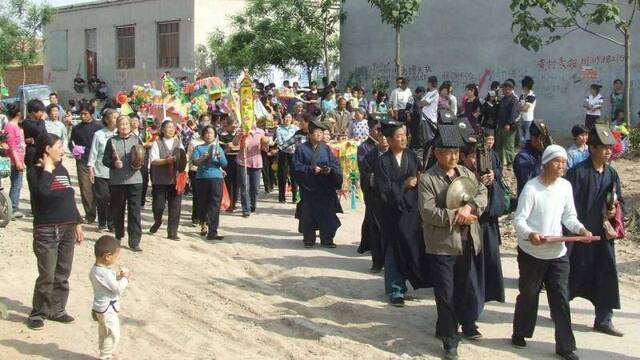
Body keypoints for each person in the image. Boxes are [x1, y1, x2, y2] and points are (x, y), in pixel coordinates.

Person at [512, 145, 591, 360]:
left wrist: (581, 229)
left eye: (564, 162)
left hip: (557, 252)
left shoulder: (565, 187)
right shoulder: (531, 188)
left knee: (561, 298)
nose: (561, 166)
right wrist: (530, 234)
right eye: (557, 161)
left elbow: (569, 217)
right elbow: (518, 219)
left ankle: (566, 346)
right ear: (545, 164)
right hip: (532, 252)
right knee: (529, 294)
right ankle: (520, 332)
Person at [418, 135, 488, 359]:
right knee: (445, 293)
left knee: (460, 289)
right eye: (448, 152)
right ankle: (450, 341)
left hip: (466, 242)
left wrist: (471, 208)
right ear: (437, 153)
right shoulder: (428, 179)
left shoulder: (466, 174)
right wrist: (455, 215)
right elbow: (427, 211)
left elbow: (482, 192)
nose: (453, 157)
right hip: (442, 245)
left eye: (456, 152)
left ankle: (445, 327)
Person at [565, 125, 624, 337]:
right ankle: (560, 312)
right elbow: (566, 205)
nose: (608, 152)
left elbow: (620, 202)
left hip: (602, 237)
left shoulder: (612, 174)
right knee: (570, 275)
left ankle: (604, 319)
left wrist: (614, 210)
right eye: (603, 147)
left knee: (606, 275)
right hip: (578, 236)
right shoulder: (576, 173)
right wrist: (576, 229)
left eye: (610, 147)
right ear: (592, 148)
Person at [26, 133, 84, 330]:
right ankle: (38, 313)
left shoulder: (63, 170)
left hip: (67, 227)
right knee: (47, 275)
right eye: (59, 146)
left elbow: (69, 197)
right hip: (46, 230)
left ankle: (57, 309)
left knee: (62, 273)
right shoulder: (34, 172)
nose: (62, 150)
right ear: (47, 150)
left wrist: (77, 222)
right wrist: (48, 170)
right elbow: (42, 194)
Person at [376, 121, 431, 307]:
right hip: (392, 212)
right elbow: (382, 188)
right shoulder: (382, 161)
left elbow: (420, 176)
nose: (402, 138)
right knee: (393, 250)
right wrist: (404, 186)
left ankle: (411, 283)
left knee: (411, 247)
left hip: (411, 210)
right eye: (398, 136)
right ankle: (395, 290)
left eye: (404, 135)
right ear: (389, 140)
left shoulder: (412, 157)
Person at [460, 136, 506, 314]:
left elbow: (499, 205)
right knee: (469, 273)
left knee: (487, 269)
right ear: (463, 157)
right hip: (466, 229)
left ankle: (476, 309)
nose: (476, 161)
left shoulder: (489, 174)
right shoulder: (459, 175)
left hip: (487, 228)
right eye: (473, 156)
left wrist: (492, 182)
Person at [293, 119, 343, 248]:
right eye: (316, 132)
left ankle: (327, 239)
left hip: (325, 186)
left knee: (327, 214)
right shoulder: (301, 149)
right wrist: (311, 169)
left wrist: (329, 170)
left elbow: (335, 164)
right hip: (309, 187)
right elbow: (296, 167)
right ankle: (309, 239)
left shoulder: (326, 148)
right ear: (309, 134)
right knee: (308, 214)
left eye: (321, 132)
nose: (319, 135)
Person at [102, 115, 144, 251]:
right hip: (117, 182)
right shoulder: (112, 141)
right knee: (118, 210)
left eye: (126, 124)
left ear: (130, 125)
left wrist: (138, 164)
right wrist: (114, 164)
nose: (124, 126)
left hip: (135, 181)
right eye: (121, 124)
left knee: (135, 211)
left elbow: (144, 158)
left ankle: (134, 241)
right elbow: (104, 160)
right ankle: (118, 235)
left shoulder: (137, 140)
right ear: (117, 126)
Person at [89, 235, 130, 360]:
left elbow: (108, 282)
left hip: (100, 308)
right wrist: (125, 278)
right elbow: (117, 288)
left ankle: (106, 352)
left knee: (104, 332)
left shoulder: (98, 270)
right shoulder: (102, 272)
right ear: (107, 256)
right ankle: (105, 356)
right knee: (113, 334)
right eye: (116, 256)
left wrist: (117, 276)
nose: (117, 259)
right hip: (107, 310)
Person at [357, 117, 385, 272]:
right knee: (372, 222)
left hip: (388, 196)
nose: (380, 134)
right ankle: (373, 256)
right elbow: (365, 170)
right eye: (377, 130)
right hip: (372, 191)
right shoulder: (365, 149)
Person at [149, 120, 183, 240]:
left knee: (175, 206)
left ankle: (172, 232)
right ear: (162, 130)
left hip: (175, 179)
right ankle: (157, 221)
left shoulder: (179, 142)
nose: (170, 129)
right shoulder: (156, 143)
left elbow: (184, 159)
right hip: (160, 180)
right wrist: (166, 161)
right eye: (168, 127)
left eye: (172, 127)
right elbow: (153, 161)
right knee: (158, 206)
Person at [192, 125, 228, 240]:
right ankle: (203, 223)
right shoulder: (198, 148)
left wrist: (219, 155)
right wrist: (202, 158)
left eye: (211, 133)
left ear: (215, 135)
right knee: (203, 202)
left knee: (215, 204)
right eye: (207, 133)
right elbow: (195, 162)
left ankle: (213, 230)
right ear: (203, 135)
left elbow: (224, 164)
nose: (209, 135)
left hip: (216, 178)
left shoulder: (219, 148)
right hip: (202, 178)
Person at [69, 102, 102, 223]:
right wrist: (75, 151)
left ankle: (103, 215)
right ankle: (90, 214)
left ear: (91, 114)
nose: (83, 116)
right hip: (82, 162)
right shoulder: (76, 129)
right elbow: (71, 143)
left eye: (85, 114)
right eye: (81, 114)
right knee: (85, 189)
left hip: (97, 162)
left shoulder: (99, 128)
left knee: (99, 189)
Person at [88, 109, 118, 232]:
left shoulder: (120, 134)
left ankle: (112, 224)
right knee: (103, 198)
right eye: (114, 117)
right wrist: (91, 169)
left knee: (114, 198)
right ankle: (102, 222)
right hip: (101, 171)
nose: (117, 120)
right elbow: (93, 154)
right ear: (106, 119)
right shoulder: (99, 134)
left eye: (118, 117)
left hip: (116, 172)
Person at [232, 125, 265, 217]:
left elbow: (264, 147)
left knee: (255, 188)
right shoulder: (240, 130)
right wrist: (240, 135)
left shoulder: (260, 131)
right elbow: (234, 143)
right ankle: (246, 209)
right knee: (244, 185)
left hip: (256, 162)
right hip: (243, 162)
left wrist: (265, 144)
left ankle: (252, 205)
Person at [3, 103, 26, 218]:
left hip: (19, 158)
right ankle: (13, 208)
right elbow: (12, 146)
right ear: (18, 113)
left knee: (18, 184)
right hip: (13, 160)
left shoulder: (17, 126)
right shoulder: (10, 126)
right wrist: (17, 161)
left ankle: (13, 207)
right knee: (16, 184)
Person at [513, 121, 548, 196]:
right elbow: (528, 181)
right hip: (529, 198)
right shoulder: (522, 157)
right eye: (542, 139)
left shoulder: (543, 153)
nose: (543, 143)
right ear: (534, 138)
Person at [275, 113, 299, 203]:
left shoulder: (295, 128)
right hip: (283, 153)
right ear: (283, 118)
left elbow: (297, 139)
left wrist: (293, 147)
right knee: (282, 175)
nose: (287, 119)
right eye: (286, 117)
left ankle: (294, 197)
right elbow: (280, 141)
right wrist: (287, 147)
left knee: (294, 175)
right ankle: (281, 197)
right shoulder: (279, 128)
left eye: (289, 117)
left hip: (293, 153)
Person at [186, 117, 206, 225]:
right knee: (197, 195)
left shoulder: (212, 142)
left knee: (206, 195)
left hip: (207, 171)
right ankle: (196, 217)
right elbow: (188, 157)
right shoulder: (193, 142)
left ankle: (204, 217)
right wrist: (186, 171)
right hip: (195, 171)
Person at [496, 80, 519, 168]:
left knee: (508, 145)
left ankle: (510, 163)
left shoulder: (514, 99)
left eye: (505, 88)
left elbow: (513, 113)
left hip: (509, 127)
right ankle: (500, 162)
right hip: (500, 125)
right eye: (503, 88)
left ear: (509, 89)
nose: (503, 90)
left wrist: (508, 124)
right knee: (499, 145)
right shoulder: (503, 99)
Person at [219, 117, 240, 212]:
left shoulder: (239, 135)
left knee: (237, 182)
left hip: (238, 161)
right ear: (226, 126)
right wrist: (227, 148)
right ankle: (228, 203)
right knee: (228, 182)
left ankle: (234, 202)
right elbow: (220, 151)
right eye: (232, 124)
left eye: (235, 123)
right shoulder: (221, 136)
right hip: (227, 161)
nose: (234, 126)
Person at [23, 99, 48, 169]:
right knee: (33, 174)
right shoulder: (27, 122)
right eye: (40, 111)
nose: (42, 113)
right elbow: (38, 130)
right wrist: (42, 119)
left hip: (41, 151)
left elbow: (44, 134)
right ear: (33, 112)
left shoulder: (40, 122)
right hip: (32, 153)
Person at [518, 76, 536, 144]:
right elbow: (519, 106)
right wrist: (521, 108)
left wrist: (521, 108)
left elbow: (525, 109)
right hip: (521, 118)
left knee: (527, 137)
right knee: (521, 138)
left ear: (525, 86)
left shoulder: (532, 96)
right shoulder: (522, 95)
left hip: (528, 120)